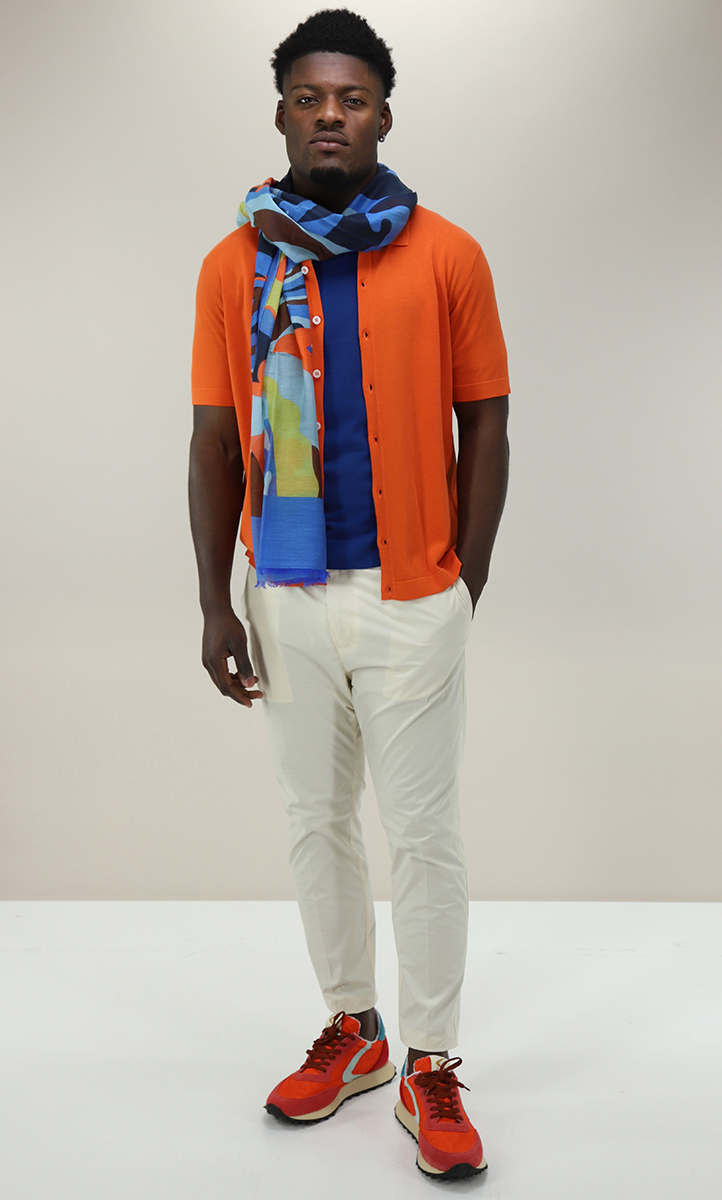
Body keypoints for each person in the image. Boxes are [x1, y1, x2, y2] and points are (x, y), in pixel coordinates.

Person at [188, 8, 509, 1181]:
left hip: (413, 590)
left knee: (423, 831)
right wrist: (215, 604)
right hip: (284, 590)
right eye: (310, 96)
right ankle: (355, 1029)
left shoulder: (450, 254)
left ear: (384, 114)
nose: (331, 113)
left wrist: (464, 583)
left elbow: (488, 424)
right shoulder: (233, 265)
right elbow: (213, 438)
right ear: (282, 113)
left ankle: (431, 1060)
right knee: (314, 819)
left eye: (354, 97)